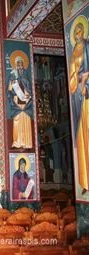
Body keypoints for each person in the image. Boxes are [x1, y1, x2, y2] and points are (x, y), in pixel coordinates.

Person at [68, 21, 89, 195]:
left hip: (85, 92)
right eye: (76, 32)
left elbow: (86, 70)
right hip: (77, 93)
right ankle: (84, 181)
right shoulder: (74, 50)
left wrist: (84, 83)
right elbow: (72, 71)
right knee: (81, 137)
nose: (78, 34)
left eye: (80, 31)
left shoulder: (86, 47)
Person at [7, 55, 33, 149]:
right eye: (18, 64)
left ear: (23, 65)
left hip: (25, 100)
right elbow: (9, 89)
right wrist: (13, 82)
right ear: (15, 65)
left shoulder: (26, 74)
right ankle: (17, 142)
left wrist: (27, 94)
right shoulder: (13, 75)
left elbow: (28, 86)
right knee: (17, 119)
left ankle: (27, 143)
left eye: (21, 64)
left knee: (26, 120)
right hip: (17, 101)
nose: (20, 65)